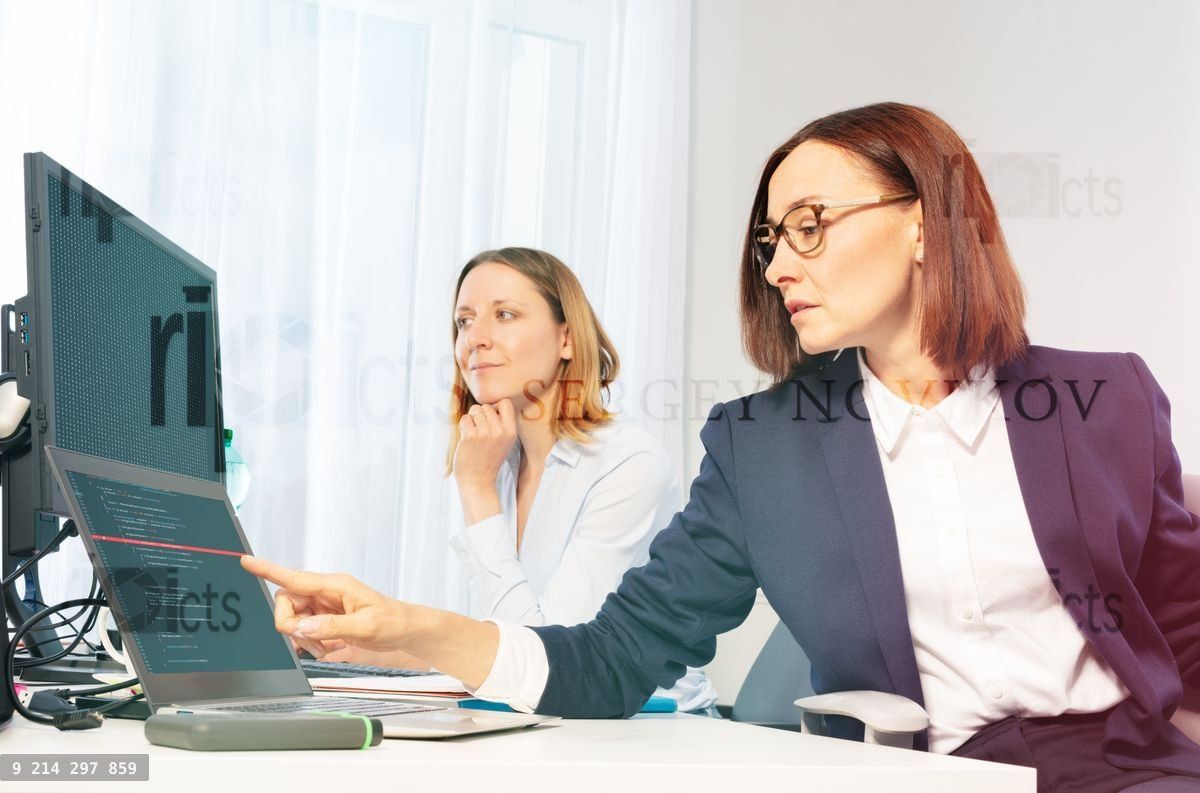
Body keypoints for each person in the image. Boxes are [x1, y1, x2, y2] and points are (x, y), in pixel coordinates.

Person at [243, 102, 1200, 790]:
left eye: (812, 228)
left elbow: (1186, 631)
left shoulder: (1104, 397)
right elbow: (613, 659)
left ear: (923, 223)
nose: (780, 263)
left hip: (1133, 770)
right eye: (771, 240)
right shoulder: (763, 446)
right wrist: (411, 630)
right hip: (933, 777)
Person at [445, 247, 716, 713]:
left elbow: (551, 663)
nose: (476, 338)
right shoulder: (497, 463)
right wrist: (376, 644)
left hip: (653, 732)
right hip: (549, 726)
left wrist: (475, 492)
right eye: (464, 321)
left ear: (566, 339)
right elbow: (495, 641)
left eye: (504, 315)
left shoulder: (628, 463)